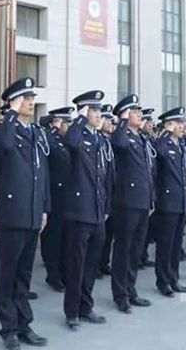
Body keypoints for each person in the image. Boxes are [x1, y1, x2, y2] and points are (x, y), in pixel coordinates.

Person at [0, 78, 50, 350]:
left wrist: (45, 207)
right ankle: (9, 328)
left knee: (24, 275)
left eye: (32, 97)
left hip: (33, 212)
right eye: (25, 98)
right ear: (12, 102)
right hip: (12, 214)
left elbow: (43, 174)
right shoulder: (1, 130)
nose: (31, 102)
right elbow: (5, 144)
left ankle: (24, 324)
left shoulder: (36, 133)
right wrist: (11, 114)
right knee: (7, 275)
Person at [62, 91, 112, 330]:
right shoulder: (78, 135)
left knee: (91, 263)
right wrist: (80, 119)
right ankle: (71, 311)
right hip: (79, 212)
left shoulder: (100, 139)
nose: (99, 114)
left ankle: (86, 306)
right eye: (94, 110)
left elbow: (105, 176)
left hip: (97, 211)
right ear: (84, 111)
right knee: (76, 264)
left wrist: (106, 206)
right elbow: (70, 142)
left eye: (100, 110)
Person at [110, 94, 154, 314]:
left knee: (136, 250)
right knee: (123, 249)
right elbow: (117, 144)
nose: (139, 115)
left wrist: (151, 199)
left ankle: (131, 288)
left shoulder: (141, 138)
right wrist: (123, 121)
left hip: (142, 201)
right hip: (127, 202)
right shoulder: (122, 136)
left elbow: (148, 172)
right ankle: (121, 295)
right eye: (134, 112)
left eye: (139, 112)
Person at [152, 107, 186, 297]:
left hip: (181, 201)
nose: (183, 126)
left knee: (176, 245)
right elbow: (159, 153)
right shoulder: (164, 143)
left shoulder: (181, 145)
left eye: (183, 123)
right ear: (169, 125)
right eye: (179, 123)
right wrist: (166, 133)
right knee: (165, 245)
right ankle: (163, 281)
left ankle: (174, 278)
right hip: (167, 203)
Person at [42, 107, 74, 292]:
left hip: (68, 198)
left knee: (66, 239)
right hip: (54, 197)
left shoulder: (67, 141)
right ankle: (53, 276)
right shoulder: (51, 140)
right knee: (53, 239)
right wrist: (53, 128)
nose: (69, 126)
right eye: (66, 122)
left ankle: (64, 273)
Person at [98, 104, 117, 277]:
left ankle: (103, 262)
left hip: (110, 192)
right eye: (107, 119)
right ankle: (96, 265)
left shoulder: (109, 141)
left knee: (108, 233)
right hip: (100, 193)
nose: (110, 122)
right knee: (99, 235)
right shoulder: (98, 140)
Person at [139, 108, 157, 269]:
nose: (150, 125)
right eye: (147, 121)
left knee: (144, 232)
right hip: (133, 194)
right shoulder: (131, 138)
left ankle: (142, 256)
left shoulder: (147, 140)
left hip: (147, 191)